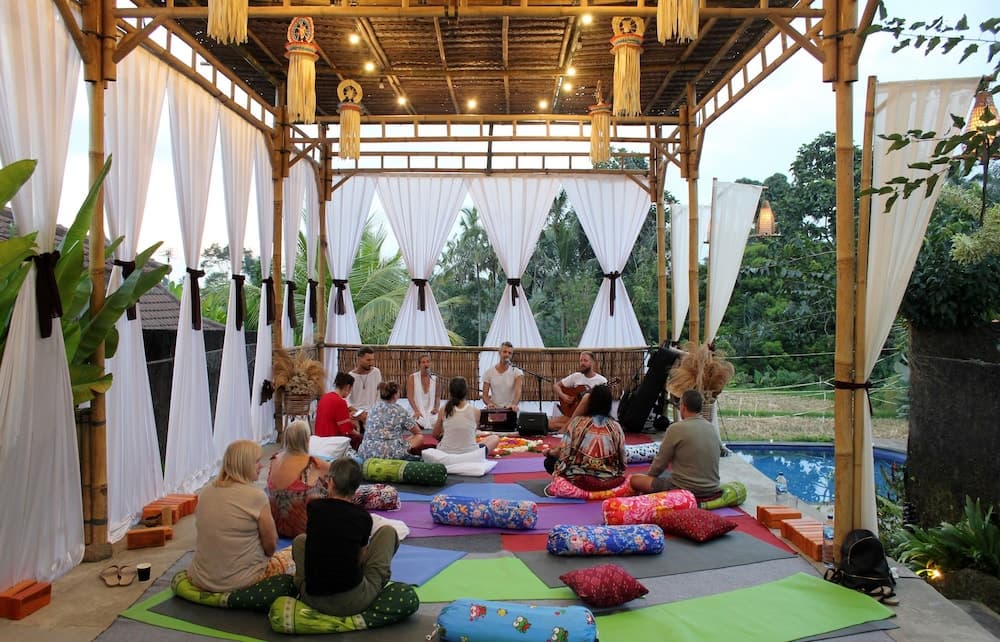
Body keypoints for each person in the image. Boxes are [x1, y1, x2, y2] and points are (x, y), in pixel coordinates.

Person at [293, 457, 400, 616]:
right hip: (353, 602)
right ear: (356, 488)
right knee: (388, 532)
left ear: (331, 483)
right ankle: (368, 586)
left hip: (312, 598)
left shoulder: (314, 508)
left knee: (300, 540)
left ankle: (300, 584)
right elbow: (359, 558)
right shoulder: (362, 517)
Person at [187, 440, 292, 593]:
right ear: (244, 464)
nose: (261, 466)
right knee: (295, 553)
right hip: (243, 581)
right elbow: (270, 546)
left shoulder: (205, 492)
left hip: (200, 578)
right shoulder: (256, 496)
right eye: (257, 462)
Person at [629, 389, 722, 497]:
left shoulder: (676, 428)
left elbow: (660, 462)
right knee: (668, 474)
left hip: (684, 488)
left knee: (635, 479)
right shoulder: (711, 428)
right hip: (712, 488)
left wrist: (648, 478)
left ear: (683, 407)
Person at [543, 384, 626, 491]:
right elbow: (623, 460)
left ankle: (573, 482)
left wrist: (549, 452)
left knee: (549, 462)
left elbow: (562, 453)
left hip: (578, 478)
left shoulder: (576, 423)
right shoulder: (616, 427)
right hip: (608, 478)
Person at [266, 420, 332, 538]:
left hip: (275, 525)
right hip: (303, 529)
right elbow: (338, 475)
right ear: (307, 440)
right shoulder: (313, 463)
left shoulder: (274, 459)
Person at [356, 382, 424, 461]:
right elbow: (417, 432)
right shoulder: (400, 411)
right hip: (391, 453)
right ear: (395, 395)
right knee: (419, 436)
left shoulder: (373, 408)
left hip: (366, 452)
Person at [433, 377, 500, 456]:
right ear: (466, 392)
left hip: (446, 453)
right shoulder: (476, 411)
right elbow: (471, 434)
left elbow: (435, 434)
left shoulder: (443, 409)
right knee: (494, 438)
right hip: (470, 455)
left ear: (450, 392)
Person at [549, 351, 607, 431]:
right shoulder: (576, 376)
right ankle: (575, 427)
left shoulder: (602, 381)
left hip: (590, 416)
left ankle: (571, 427)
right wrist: (564, 396)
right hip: (572, 415)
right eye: (581, 360)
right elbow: (556, 386)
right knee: (549, 424)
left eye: (585, 360)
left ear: (592, 362)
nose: (582, 363)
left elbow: (603, 404)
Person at [315, 372, 362, 450]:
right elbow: (347, 429)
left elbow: (332, 418)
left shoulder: (324, 397)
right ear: (348, 387)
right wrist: (360, 434)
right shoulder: (340, 402)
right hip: (332, 442)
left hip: (319, 438)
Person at [482, 341, 523, 412]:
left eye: (510, 353)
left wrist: (513, 404)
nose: (507, 354)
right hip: (494, 410)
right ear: (499, 352)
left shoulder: (517, 373)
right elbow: (485, 396)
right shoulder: (488, 372)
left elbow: (518, 392)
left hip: (510, 410)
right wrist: (490, 404)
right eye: (505, 352)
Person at [346, 346, 382, 425]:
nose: (371, 363)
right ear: (359, 359)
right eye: (368, 360)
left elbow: (379, 395)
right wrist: (359, 413)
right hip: (355, 412)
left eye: (372, 360)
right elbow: (346, 399)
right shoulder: (351, 376)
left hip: (373, 412)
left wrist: (373, 412)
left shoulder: (376, 372)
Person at [406, 353, 439, 431]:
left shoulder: (435, 378)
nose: (426, 364)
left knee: (439, 421)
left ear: (430, 364)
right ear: (419, 365)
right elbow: (410, 397)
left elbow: (437, 397)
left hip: (430, 411)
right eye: (423, 362)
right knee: (416, 422)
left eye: (428, 362)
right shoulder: (412, 377)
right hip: (416, 409)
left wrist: (436, 408)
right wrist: (416, 411)